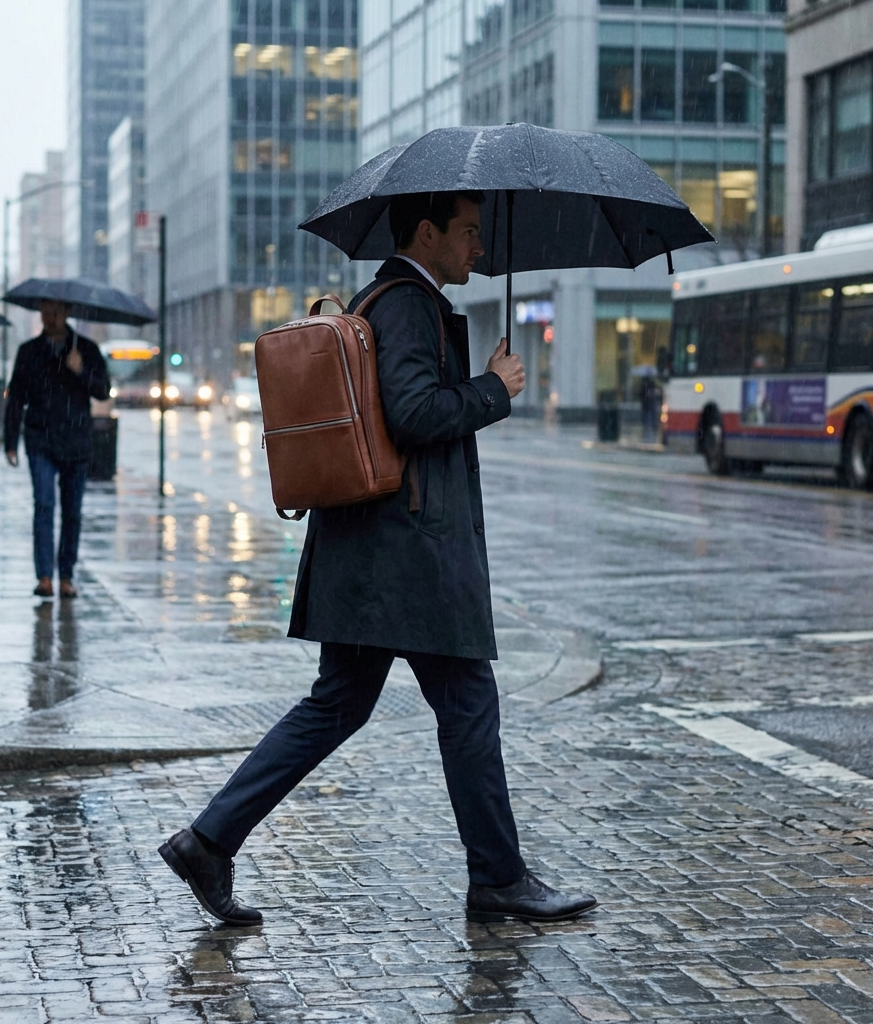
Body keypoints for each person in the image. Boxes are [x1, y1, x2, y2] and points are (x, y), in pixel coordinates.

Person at [158, 191, 597, 927]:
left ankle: (209, 841)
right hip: (410, 555)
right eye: (467, 233)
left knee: (339, 705)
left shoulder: (385, 300)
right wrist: (494, 389)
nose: (477, 249)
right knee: (465, 703)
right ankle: (497, 879)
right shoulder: (405, 306)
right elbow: (414, 413)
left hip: (373, 553)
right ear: (426, 233)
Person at [4, 300, 109, 599]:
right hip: (40, 438)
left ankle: (66, 574)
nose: (49, 318)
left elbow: (103, 390)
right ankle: (44, 576)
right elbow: (15, 398)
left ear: (66, 314)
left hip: (76, 441)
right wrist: (11, 441)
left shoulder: (86, 349)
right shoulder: (29, 351)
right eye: (45, 312)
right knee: (44, 504)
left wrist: (81, 370)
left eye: (55, 312)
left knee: (72, 511)